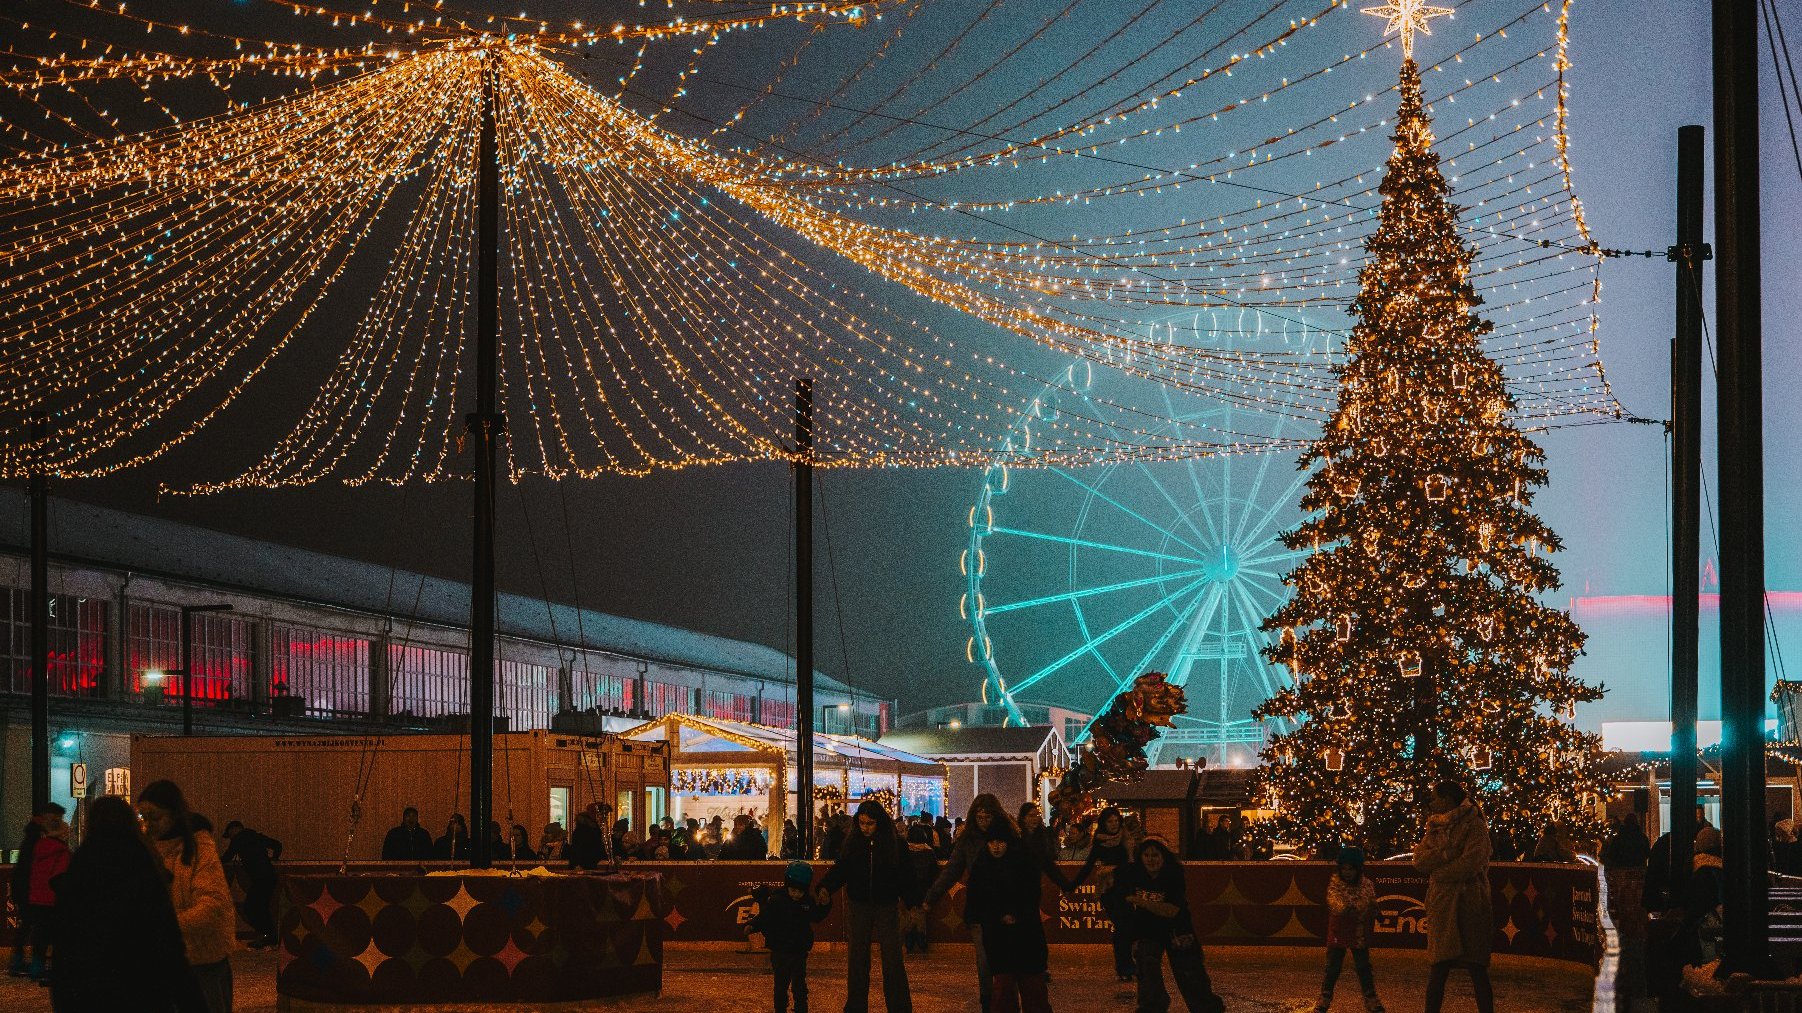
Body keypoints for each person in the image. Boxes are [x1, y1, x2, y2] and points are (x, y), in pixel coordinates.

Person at [49, 796, 206, 1012]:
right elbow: (167, 942)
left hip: (90, 995)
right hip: (142, 991)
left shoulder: (81, 866)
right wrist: (191, 1000)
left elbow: (65, 945)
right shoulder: (143, 864)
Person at [138, 779, 237, 1013]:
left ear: (174, 815)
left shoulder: (199, 847)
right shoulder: (144, 849)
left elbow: (212, 904)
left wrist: (165, 924)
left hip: (202, 964)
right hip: (162, 961)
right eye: (144, 817)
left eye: (155, 817)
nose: (149, 825)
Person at [816, 800, 915, 1013]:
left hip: (886, 905)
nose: (865, 828)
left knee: (892, 960)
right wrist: (826, 886)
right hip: (859, 905)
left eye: (870, 823)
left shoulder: (895, 844)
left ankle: (899, 1008)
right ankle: (855, 1007)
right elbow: (842, 869)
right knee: (857, 960)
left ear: (879, 823)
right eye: (862, 823)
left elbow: (906, 876)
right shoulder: (853, 843)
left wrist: (912, 902)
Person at [1116, 838, 1224, 1013]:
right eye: (1147, 855)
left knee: (1189, 972)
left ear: (1164, 856)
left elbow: (1173, 910)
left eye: (1155, 855)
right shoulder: (1135, 872)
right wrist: (1104, 875)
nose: (1151, 859)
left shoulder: (1173, 874)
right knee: (1146, 964)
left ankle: (1206, 1008)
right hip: (1148, 929)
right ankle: (1152, 1005)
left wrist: (1140, 901)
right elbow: (1113, 873)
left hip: (1176, 929)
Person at [1416, 779, 1493, 1013]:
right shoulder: (1434, 827)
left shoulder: (1475, 825)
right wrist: (1450, 852)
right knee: (1439, 967)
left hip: (1470, 902)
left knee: (1477, 968)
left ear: (1448, 799)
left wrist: (1440, 872)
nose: (1431, 802)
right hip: (1442, 904)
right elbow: (1419, 860)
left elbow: (1472, 862)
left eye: (1435, 797)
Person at [964, 823, 1051, 1013]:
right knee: (1003, 989)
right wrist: (996, 916)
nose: (996, 846)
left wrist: (1016, 914)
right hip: (998, 935)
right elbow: (978, 898)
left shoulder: (1022, 863)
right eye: (992, 842)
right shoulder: (982, 866)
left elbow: (1031, 893)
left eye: (1000, 842)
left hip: (1025, 935)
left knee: (1032, 987)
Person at [749, 861, 831, 1013]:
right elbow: (765, 916)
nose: (795, 895)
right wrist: (753, 925)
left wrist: (825, 905)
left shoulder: (807, 902)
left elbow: (817, 916)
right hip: (779, 951)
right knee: (780, 984)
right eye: (792, 890)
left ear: (805, 891)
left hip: (799, 952)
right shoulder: (777, 900)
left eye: (799, 892)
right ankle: (780, 1008)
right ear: (787, 886)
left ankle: (801, 1008)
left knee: (799, 984)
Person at [1317, 847, 1384, 1013]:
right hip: (1339, 930)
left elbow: (1370, 900)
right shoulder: (1336, 884)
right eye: (1344, 868)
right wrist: (1346, 907)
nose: (1347, 873)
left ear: (1358, 869)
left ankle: (1371, 997)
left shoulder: (1366, 884)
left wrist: (1377, 912)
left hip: (1358, 930)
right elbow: (1333, 901)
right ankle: (1325, 997)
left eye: (1351, 869)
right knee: (1333, 966)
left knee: (1363, 966)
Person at [1084, 807, 1142, 982]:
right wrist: (1070, 884)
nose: (1114, 824)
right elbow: (1088, 866)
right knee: (1123, 926)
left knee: (1127, 927)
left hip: (1126, 888)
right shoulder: (1100, 843)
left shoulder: (1127, 840)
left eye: (1116, 820)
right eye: (1110, 821)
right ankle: (1125, 966)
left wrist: (1116, 866)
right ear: (1104, 823)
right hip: (1109, 891)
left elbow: (1132, 866)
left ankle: (1126, 963)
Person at [8, 802, 61, 980]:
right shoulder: (38, 839)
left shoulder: (32, 836)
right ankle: (31, 963)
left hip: (26, 888)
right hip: (31, 890)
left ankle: (19, 961)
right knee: (39, 926)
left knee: (28, 925)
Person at [21, 804, 71, 983]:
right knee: (56, 935)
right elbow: (61, 876)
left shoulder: (40, 846)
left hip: (37, 898)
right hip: (53, 899)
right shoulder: (61, 850)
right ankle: (52, 968)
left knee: (40, 935)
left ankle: (36, 966)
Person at [221, 821, 284, 949]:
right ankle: (269, 936)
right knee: (261, 907)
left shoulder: (238, 839)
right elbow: (277, 845)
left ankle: (268, 935)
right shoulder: (256, 836)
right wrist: (274, 858)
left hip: (260, 879)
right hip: (269, 877)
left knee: (250, 908)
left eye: (229, 835)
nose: (230, 838)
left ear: (233, 830)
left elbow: (227, 857)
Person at [901, 819, 940, 953]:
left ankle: (910, 937)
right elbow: (935, 872)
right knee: (920, 913)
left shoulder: (904, 852)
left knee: (911, 913)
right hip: (924, 889)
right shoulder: (929, 852)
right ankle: (920, 937)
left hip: (907, 890)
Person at [568, 805, 607, 870]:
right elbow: (579, 847)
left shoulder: (584, 829)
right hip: (587, 862)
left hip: (585, 862)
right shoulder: (589, 830)